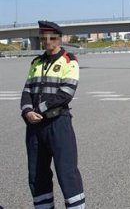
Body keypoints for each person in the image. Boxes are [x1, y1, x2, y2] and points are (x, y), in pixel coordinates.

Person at [20, 20, 86, 209]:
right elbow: (26, 91)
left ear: (59, 39)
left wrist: (37, 110)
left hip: (58, 123)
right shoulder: (36, 62)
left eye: (51, 37)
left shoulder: (69, 60)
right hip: (34, 127)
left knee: (67, 172)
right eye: (43, 37)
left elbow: (66, 93)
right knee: (37, 174)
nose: (47, 41)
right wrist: (27, 111)